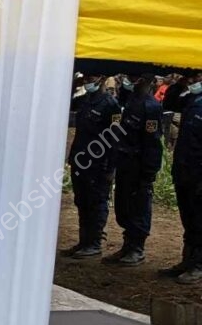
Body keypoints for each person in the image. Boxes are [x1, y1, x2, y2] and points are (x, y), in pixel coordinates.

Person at [107, 75, 165, 266]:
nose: (130, 81)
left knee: (139, 206)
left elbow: (153, 143)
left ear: (145, 80)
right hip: (125, 162)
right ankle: (127, 244)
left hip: (139, 165)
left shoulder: (151, 106)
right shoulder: (132, 100)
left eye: (135, 78)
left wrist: (149, 172)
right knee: (124, 205)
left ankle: (136, 248)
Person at [64, 76, 122, 259]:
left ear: (103, 80)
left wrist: (110, 168)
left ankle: (95, 243)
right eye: (87, 77)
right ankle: (84, 241)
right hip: (81, 160)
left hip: (99, 163)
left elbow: (114, 138)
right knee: (82, 201)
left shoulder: (110, 105)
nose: (89, 81)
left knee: (96, 202)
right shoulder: (85, 100)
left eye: (93, 78)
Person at [162, 73, 202, 283]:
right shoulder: (193, 100)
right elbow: (169, 103)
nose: (194, 80)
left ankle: (198, 265)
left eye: (198, 76)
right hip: (185, 172)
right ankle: (188, 260)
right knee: (188, 221)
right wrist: (181, 81)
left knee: (199, 221)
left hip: (198, 176)